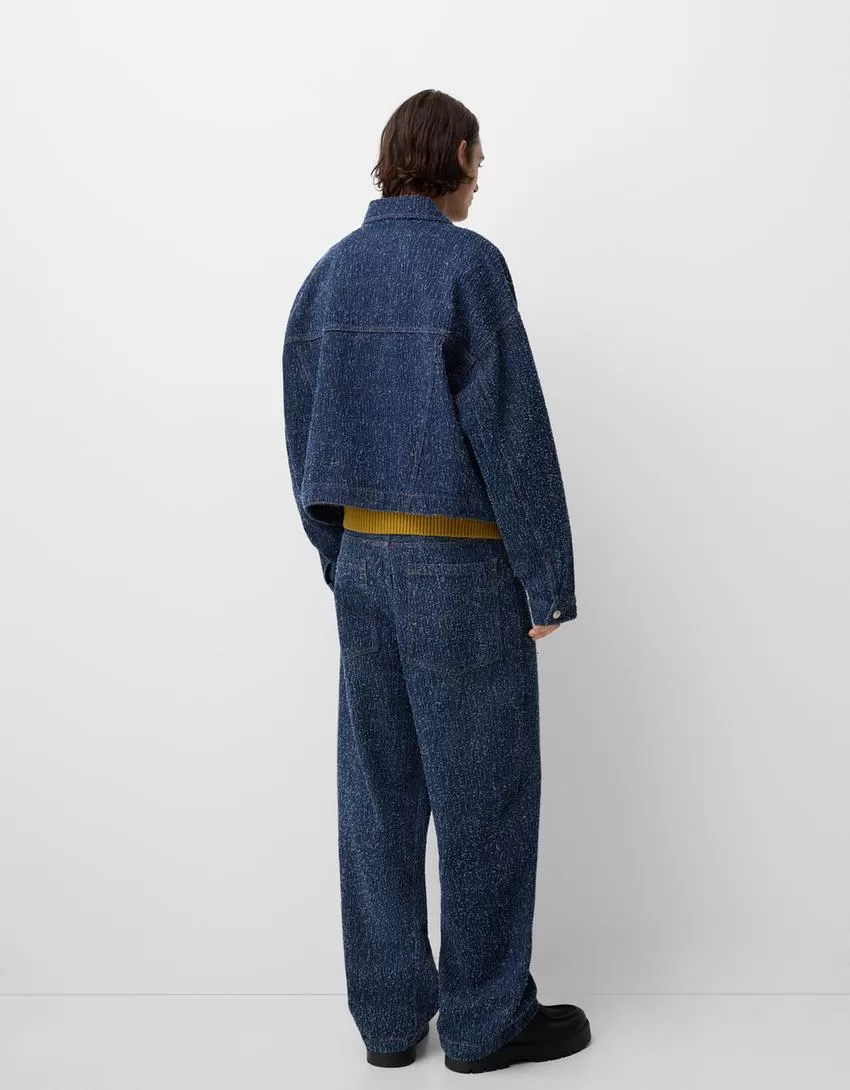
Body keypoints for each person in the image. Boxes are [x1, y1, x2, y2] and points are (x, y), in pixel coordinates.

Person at [281, 88, 591, 1075]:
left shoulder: (330, 274)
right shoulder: (468, 266)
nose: (480, 178)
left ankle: (387, 1022)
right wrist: (544, 578)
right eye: (478, 159)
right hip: (458, 566)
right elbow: (510, 425)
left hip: (365, 565)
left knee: (376, 797)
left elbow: (301, 426)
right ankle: (486, 1020)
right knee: (484, 792)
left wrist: (337, 552)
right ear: (454, 155)